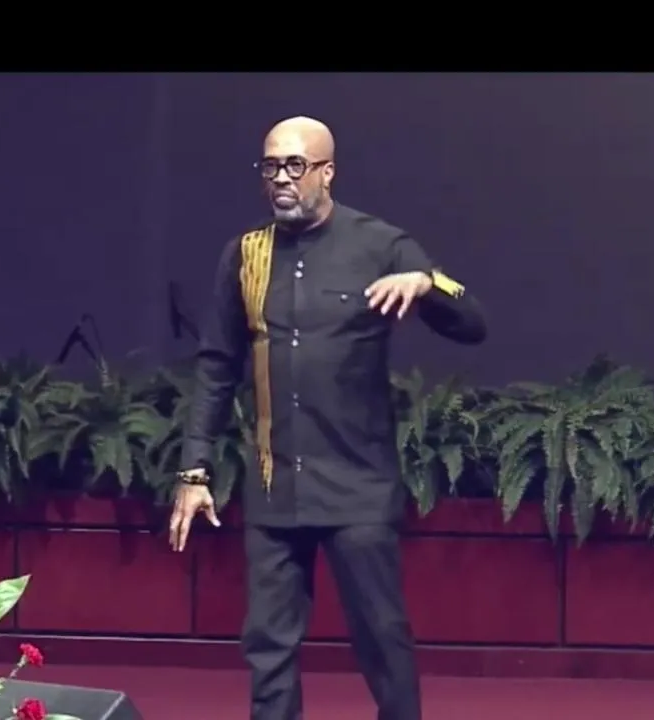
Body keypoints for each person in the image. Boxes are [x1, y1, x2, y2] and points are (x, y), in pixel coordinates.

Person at [168, 115, 487, 720]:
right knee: (268, 644)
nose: (281, 179)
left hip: (357, 484)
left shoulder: (381, 244)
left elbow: (473, 323)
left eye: (295, 165)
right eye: (271, 166)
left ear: (327, 172)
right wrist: (194, 471)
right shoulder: (247, 254)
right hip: (275, 485)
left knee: (382, 636)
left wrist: (426, 284)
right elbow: (216, 366)